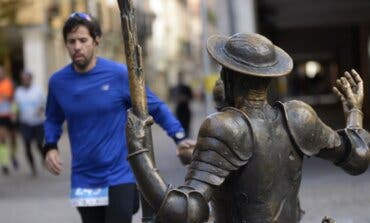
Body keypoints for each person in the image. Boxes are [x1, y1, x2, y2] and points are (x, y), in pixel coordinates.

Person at [125, 33, 370, 223]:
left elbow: (185, 212)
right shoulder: (298, 116)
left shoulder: (224, 126)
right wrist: (354, 113)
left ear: (233, 78)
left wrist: (138, 151)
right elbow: (357, 158)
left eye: (223, 71)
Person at [43, 12, 194, 223]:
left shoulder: (119, 75)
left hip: (118, 173)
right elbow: (52, 118)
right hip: (84, 177)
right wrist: (50, 146)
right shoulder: (58, 82)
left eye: (83, 40)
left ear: (96, 41)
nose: (77, 47)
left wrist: (178, 136)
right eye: (71, 41)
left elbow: (155, 106)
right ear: (66, 44)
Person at [14, 70, 45, 177]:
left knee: (39, 144)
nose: (25, 80)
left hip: (38, 122)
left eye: (27, 78)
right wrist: (14, 114)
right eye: (23, 79)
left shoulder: (38, 90)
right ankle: (33, 168)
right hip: (25, 123)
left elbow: (44, 103)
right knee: (27, 146)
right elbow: (15, 106)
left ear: (31, 79)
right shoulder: (18, 92)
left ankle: (43, 157)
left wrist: (40, 109)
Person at [0, 66, 15, 175]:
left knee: (13, 139)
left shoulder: (8, 83)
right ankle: (4, 163)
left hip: (10, 114)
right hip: (1, 116)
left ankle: (13, 156)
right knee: (2, 139)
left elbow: (12, 97)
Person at [171, 71, 193, 137]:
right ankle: (181, 139)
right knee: (180, 127)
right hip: (179, 110)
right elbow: (172, 98)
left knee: (187, 127)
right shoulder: (174, 88)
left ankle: (187, 138)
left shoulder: (187, 87)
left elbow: (191, 97)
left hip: (186, 110)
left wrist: (184, 98)